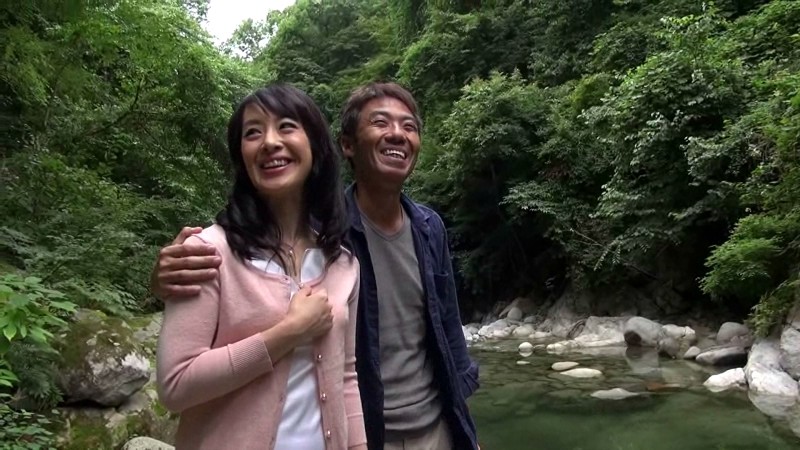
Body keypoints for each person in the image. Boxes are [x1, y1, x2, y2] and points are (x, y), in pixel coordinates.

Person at [153, 82, 480, 450]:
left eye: (409, 126)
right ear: (346, 145)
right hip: (374, 428)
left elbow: (444, 328)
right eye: (380, 122)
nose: (397, 134)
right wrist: (164, 278)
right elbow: (177, 379)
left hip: (432, 426)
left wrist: (465, 428)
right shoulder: (329, 235)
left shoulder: (414, 232)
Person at [155, 84, 366, 450]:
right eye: (253, 133)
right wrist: (289, 332)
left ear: (315, 146)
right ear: (242, 157)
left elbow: (346, 375)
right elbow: (175, 386)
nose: (269, 142)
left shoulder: (343, 264)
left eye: (286, 126)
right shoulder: (206, 254)